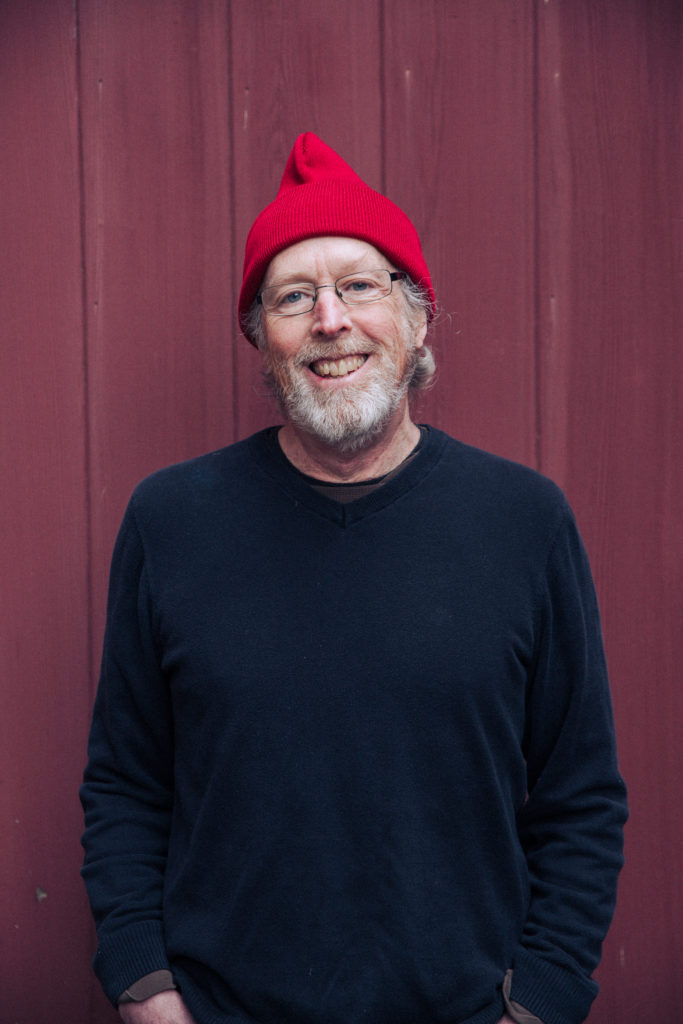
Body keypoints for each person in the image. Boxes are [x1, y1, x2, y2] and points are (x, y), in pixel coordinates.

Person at [80, 132, 627, 1024]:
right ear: (264, 340)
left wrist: (540, 1005)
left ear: (417, 319)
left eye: (359, 286)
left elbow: (579, 798)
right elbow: (126, 785)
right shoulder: (172, 521)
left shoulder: (523, 522)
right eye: (294, 296)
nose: (330, 320)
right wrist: (146, 989)